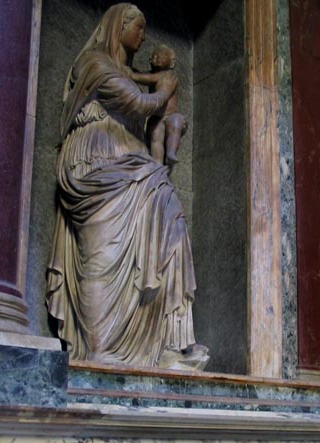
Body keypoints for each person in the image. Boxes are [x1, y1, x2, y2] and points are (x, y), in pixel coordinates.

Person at [46, 3, 208, 370]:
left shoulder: (131, 73)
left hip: (136, 169)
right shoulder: (95, 63)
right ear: (120, 27)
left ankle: (169, 343)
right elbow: (136, 103)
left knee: (170, 217)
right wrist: (165, 90)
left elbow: (150, 112)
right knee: (103, 251)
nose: (145, 35)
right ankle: (98, 348)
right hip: (96, 165)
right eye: (140, 27)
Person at [131, 44, 188, 166]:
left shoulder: (169, 75)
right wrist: (134, 72)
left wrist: (132, 75)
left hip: (171, 115)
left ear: (171, 62)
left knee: (175, 124)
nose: (156, 57)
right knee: (155, 136)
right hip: (157, 118)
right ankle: (157, 164)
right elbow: (146, 76)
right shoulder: (152, 74)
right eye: (154, 55)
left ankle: (171, 152)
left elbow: (148, 78)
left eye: (161, 55)